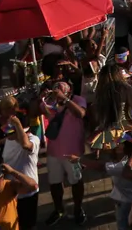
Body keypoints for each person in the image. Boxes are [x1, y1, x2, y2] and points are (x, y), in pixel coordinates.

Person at [42, 80, 88, 226]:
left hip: (72, 153)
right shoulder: (50, 102)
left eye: (61, 90)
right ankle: (59, 210)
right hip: (53, 152)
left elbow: (81, 113)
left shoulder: (78, 100)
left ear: (69, 91)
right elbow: (36, 111)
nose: (58, 93)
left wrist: (65, 100)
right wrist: (41, 97)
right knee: (55, 183)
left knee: (76, 181)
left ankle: (78, 209)